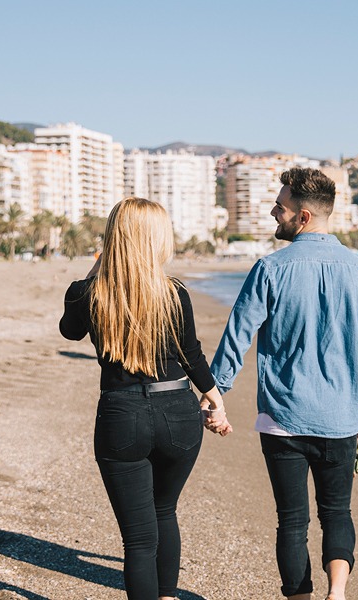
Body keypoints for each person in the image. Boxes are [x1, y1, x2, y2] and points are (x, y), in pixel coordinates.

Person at [210, 168, 358, 600]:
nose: (273, 212)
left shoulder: (269, 268)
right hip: (340, 417)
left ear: (302, 217)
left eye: (280, 207)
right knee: (337, 511)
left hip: (282, 417)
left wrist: (216, 394)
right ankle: (337, 594)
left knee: (291, 520)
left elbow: (237, 335)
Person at [60, 197, 232, 600]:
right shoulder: (174, 294)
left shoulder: (90, 293)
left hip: (122, 415)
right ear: (158, 240)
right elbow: (192, 356)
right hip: (178, 412)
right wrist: (215, 401)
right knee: (164, 511)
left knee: (138, 539)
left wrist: (97, 268)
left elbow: (70, 331)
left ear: (112, 239)